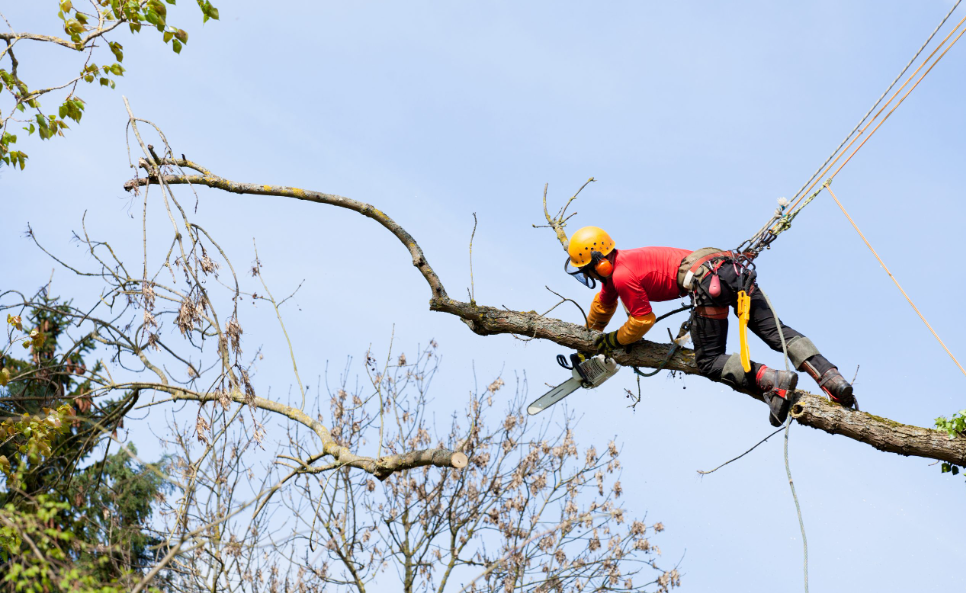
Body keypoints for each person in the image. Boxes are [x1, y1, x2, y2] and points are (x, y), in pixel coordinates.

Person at [565, 226, 856, 426]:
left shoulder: (621, 275)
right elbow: (602, 307)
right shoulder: (623, 265)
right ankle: (832, 378)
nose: (590, 275)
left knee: (709, 360)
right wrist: (587, 342)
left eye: (588, 269)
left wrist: (612, 341)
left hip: (708, 285)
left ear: (599, 262)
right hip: (730, 270)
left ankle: (773, 381)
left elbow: (642, 320)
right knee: (775, 332)